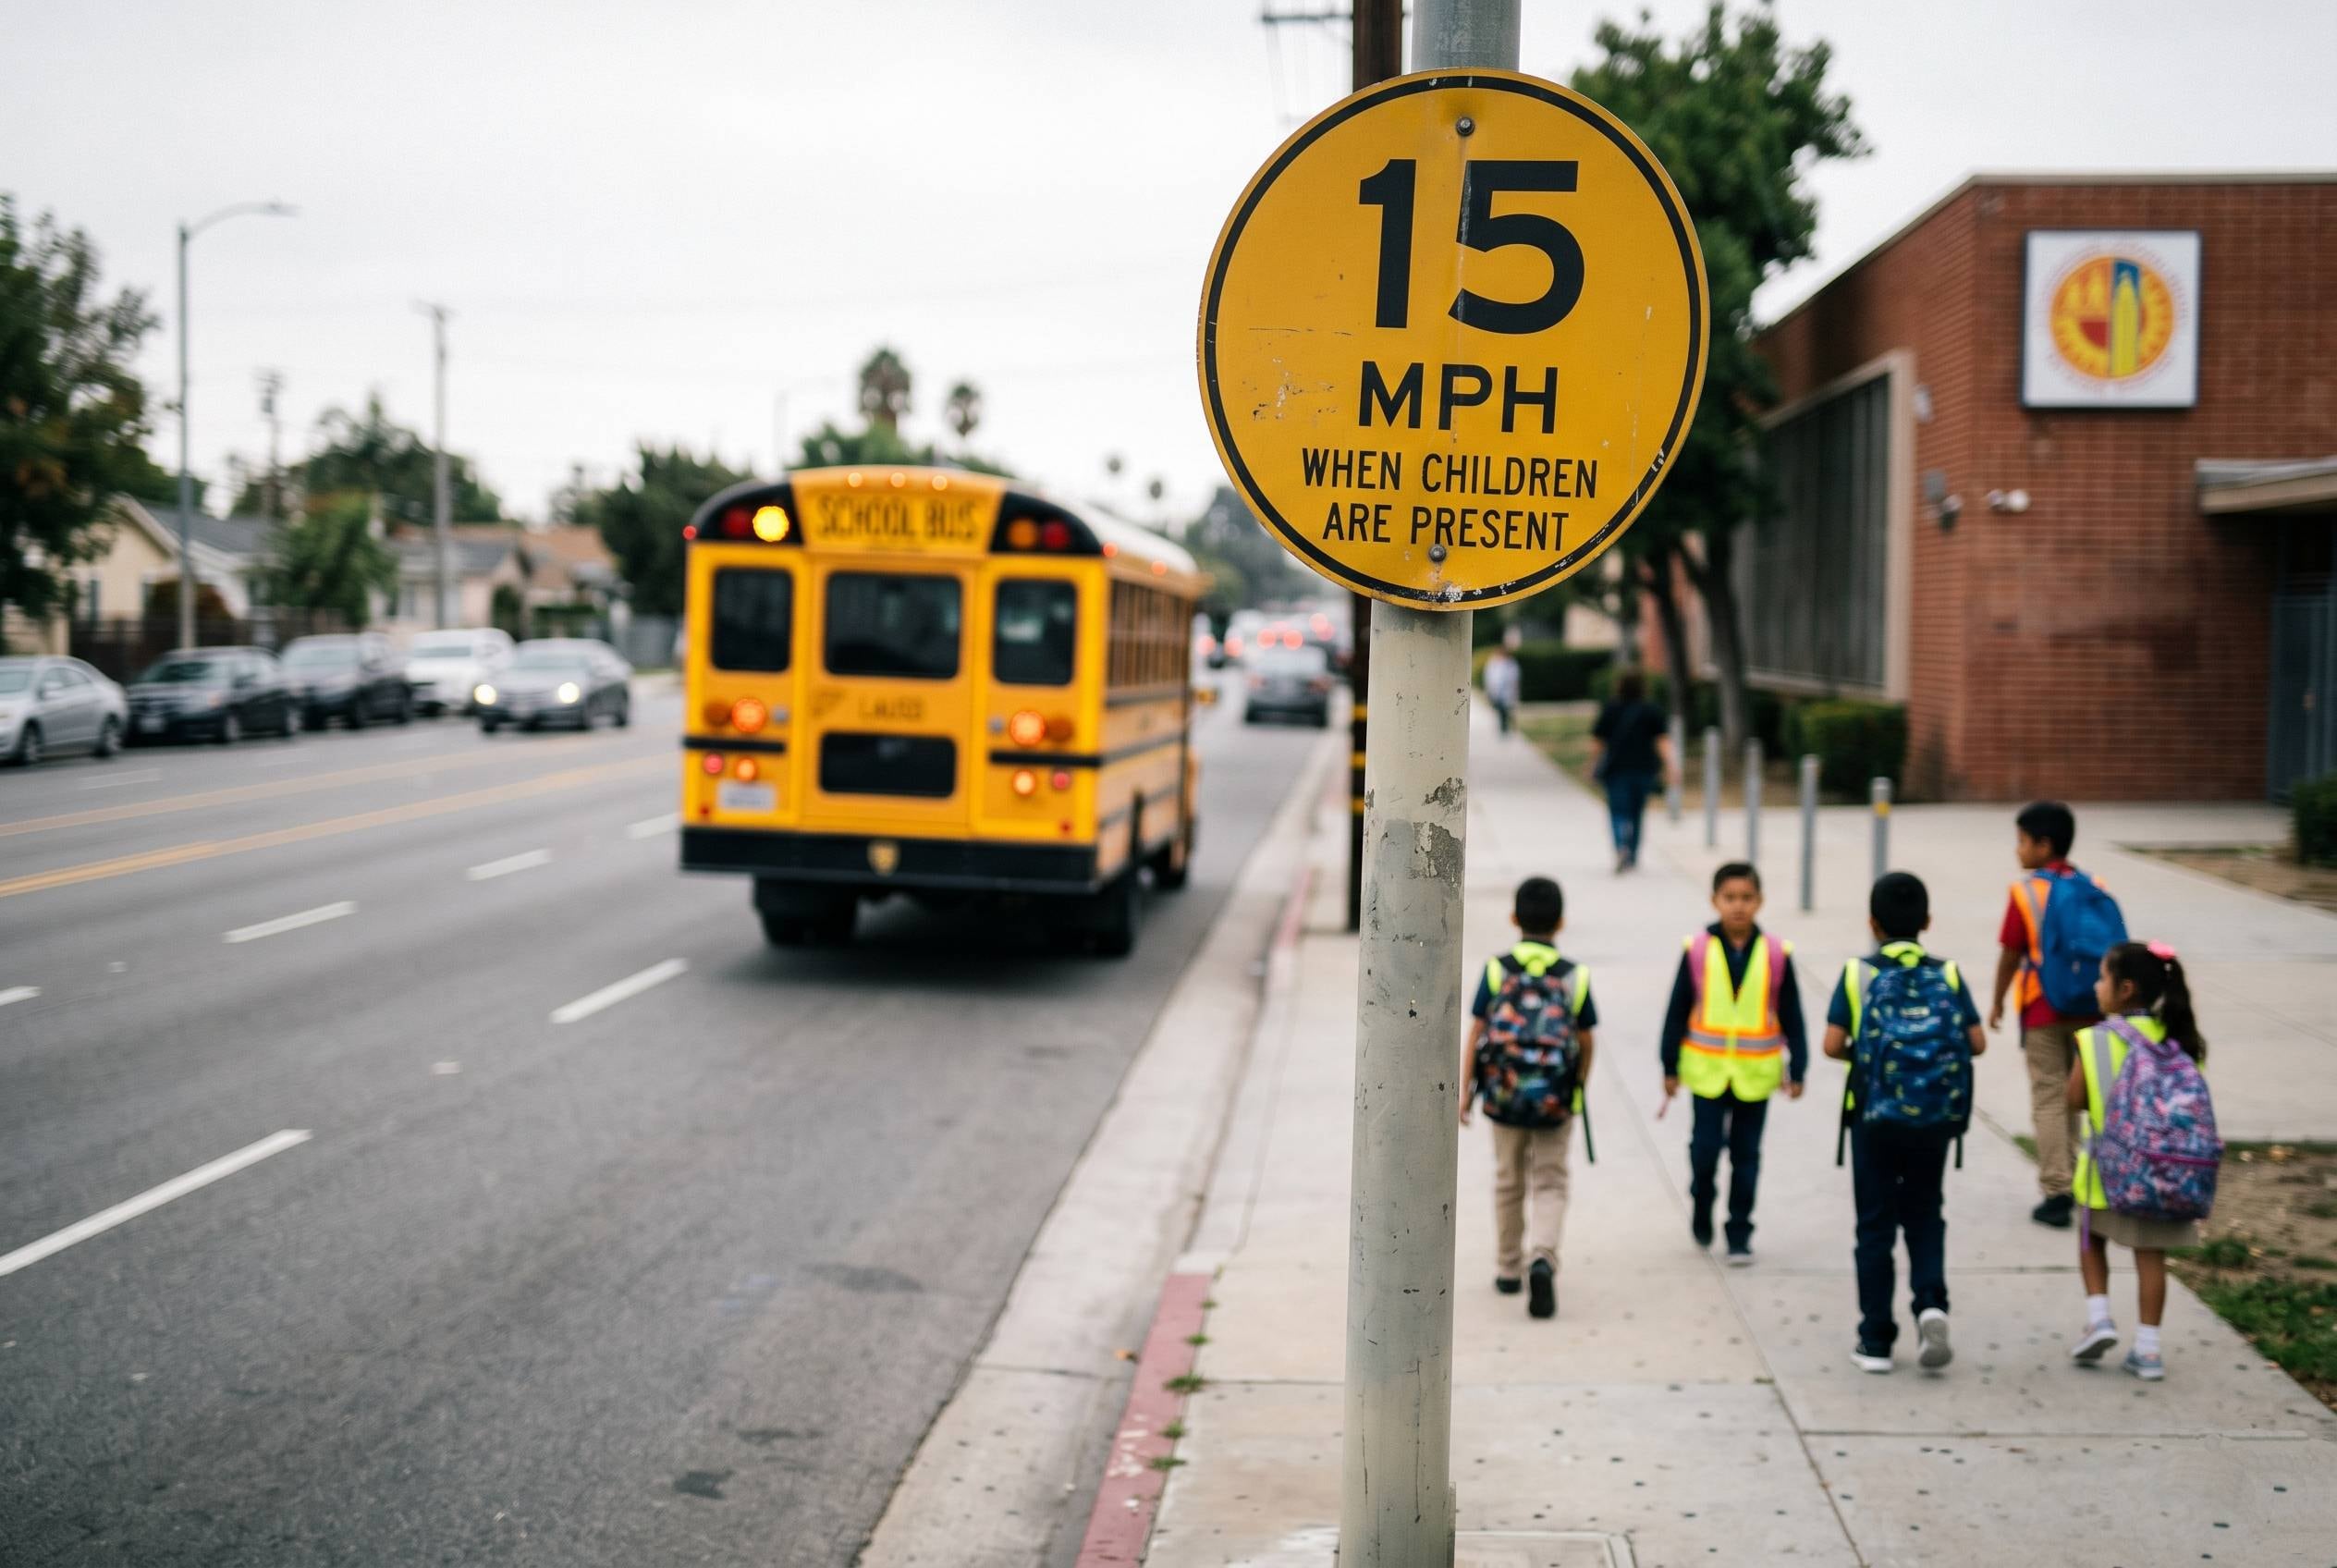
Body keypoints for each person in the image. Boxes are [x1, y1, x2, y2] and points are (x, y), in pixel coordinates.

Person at [1824, 872, 1986, 1375]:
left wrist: (1870, 1061)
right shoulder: (1950, 974)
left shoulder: (1858, 974)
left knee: (1874, 1224)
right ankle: (1931, 1305)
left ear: (1873, 923)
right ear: (1927, 922)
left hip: (1874, 1121)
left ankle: (1875, 1340)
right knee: (1924, 1213)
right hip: (1934, 1121)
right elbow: (1976, 1042)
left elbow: (1832, 1044)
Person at [2069, 941, 2212, 1382]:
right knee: (2152, 1257)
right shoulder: (2182, 1041)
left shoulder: (2095, 1040)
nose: (2097, 986)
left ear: (2125, 989)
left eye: (2102, 978)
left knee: (2091, 1240)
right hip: (2163, 1173)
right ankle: (2148, 1349)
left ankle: (2099, 1317)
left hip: (2105, 1174)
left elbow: (2073, 1099)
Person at [1460, 876, 1597, 1320]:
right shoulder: (1574, 975)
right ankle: (1543, 1256)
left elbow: (1478, 1032)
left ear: (1514, 919)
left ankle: (1507, 1268)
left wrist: (1465, 1092)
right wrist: (1577, 1086)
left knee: (1508, 1180)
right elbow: (1585, 1038)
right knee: (1551, 1180)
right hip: (1556, 1099)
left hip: (1505, 1097)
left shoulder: (1498, 970)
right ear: (1561, 922)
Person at [1659, 862, 1805, 1265]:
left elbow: (1791, 1014)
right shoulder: (1698, 950)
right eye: (1730, 898)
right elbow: (1677, 1011)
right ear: (1715, 901)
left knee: (1746, 1158)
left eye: (1746, 898)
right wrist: (1669, 1066)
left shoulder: (1776, 953)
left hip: (1756, 1076)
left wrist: (1800, 1068)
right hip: (1706, 1073)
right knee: (1704, 1152)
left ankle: (1739, 1231)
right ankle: (1702, 1204)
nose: (1738, 906)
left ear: (1759, 901)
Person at [1988, 802, 2111, 1230]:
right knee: (2077, 1097)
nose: (2017, 850)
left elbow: (2010, 954)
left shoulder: (2025, 893)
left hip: (2043, 1006)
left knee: (2049, 1096)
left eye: (2022, 841)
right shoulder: (2093, 884)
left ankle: (2057, 1190)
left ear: (2044, 845)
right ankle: (2080, 1179)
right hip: (2090, 1007)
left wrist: (1998, 1000)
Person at [1590, 670, 1669, 872]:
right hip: (1644, 770)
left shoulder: (1611, 709)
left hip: (1616, 770)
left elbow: (1598, 742)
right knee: (1636, 813)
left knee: (1617, 812)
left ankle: (1620, 848)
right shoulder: (1651, 710)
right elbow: (1662, 742)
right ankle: (1632, 854)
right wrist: (1671, 766)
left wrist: (1592, 764)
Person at [1483, 639, 1522, 737]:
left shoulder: (1511, 664)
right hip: (1496, 691)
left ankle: (1506, 728)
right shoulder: (1493, 662)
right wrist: (1488, 689)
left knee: (1507, 710)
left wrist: (1515, 691)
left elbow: (1515, 678)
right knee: (1500, 710)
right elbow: (1488, 677)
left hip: (1507, 692)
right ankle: (1503, 728)